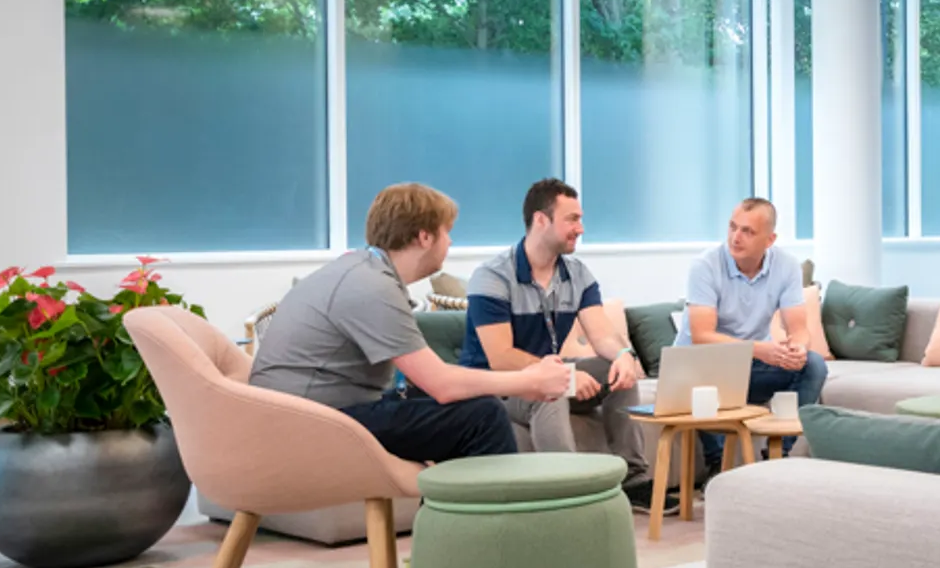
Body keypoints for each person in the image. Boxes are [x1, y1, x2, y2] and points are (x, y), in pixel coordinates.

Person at [249, 182, 570, 463]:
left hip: (314, 410)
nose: (451, 243)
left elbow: (428, 380)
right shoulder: (371, 288)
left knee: (469, 404)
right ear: (425, 236)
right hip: (311, 421)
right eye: (448, 232)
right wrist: (530, 381)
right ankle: (495, 529)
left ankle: (449, 525)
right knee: (482, 416)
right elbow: (441, 385)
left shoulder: (363, 272)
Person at [462, 179, 652, 503]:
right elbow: (501, 357)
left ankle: (634, 480)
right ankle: (568, 490)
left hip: (549, 371)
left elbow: (601, 334)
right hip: (498, 385)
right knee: (549, 391)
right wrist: (566, 376)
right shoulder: (493, 276)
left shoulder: (577, 274)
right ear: (541, 220)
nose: (580, 228)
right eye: (572, 219)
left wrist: (623, 354)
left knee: (617, 369)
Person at [684, 197, 826, 477]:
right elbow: (701, 336)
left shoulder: (786, 266)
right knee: (698, 380)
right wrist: (761, 350)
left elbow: (799, 328)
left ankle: (776, 457)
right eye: (733, 227)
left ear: (770, 239)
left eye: (747, 231)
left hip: (751, 369)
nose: (736, 237)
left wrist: (797, 347)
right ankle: (718, 464)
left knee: (813, 365)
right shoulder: (705, 266)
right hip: (703, 369)